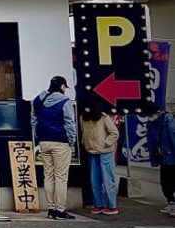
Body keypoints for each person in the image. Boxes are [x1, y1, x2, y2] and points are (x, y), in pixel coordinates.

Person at [32, 75, 77, 220]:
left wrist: (38, 139)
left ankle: (51, 209)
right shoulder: (64, 101)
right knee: (61, 177)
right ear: (62, 87)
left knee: (48, 175)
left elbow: (34, 121)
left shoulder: (38, 100)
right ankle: (61, 210)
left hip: (44, 142)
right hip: (61, 142)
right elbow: (69, 123)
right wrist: (71, 141)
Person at [80, 101, 120, 216]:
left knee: (108, 179)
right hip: (92, 151)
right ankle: (99, 204)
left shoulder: (103, 117)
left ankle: (111, 206)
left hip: (105, 152)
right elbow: (83, 132)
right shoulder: (83, 118)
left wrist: (106, 143)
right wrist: (85, 143)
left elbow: (114, 133)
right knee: (95, 180)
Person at [144, 101, 175, 215]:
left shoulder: (168, 119)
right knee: (165, 181)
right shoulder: (152, 122)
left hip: (171, 156)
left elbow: (173, 137)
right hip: (163, 157)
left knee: (171, 179)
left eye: (150, 115)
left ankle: (173, 204)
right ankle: (171, 202)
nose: (149, 117)